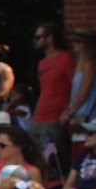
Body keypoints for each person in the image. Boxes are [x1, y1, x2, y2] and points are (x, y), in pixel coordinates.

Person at [29, 22, 74, 158]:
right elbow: (43, 89)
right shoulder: (42, 63)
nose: (35, 41)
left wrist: (68, 112)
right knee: (35, 156)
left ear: (50, 38)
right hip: (39, 116)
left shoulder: (66, 59)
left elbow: (76, 87)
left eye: (38, 37)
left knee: (51, 157)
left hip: (56, 117)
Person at [61, 29, 96, 135]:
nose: (74, 44)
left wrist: (68, 114)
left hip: (89, 114)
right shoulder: (83, 64)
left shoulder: (91, 64)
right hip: (80, 113)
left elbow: (83, 94)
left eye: (77, 41)